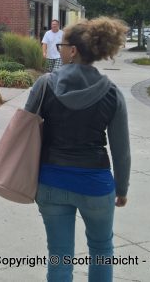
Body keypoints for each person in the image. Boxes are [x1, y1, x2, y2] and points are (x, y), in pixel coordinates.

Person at [24, 17, 131, 282]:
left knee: (59, 257)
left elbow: (24, 130)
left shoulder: (45, 84)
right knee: (102, 250)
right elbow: (121, 150)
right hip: (96, 185)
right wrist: (122, 189)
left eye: (62, 44)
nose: (58, 48)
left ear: (73, 50)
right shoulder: (112, 93)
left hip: (51, 183)